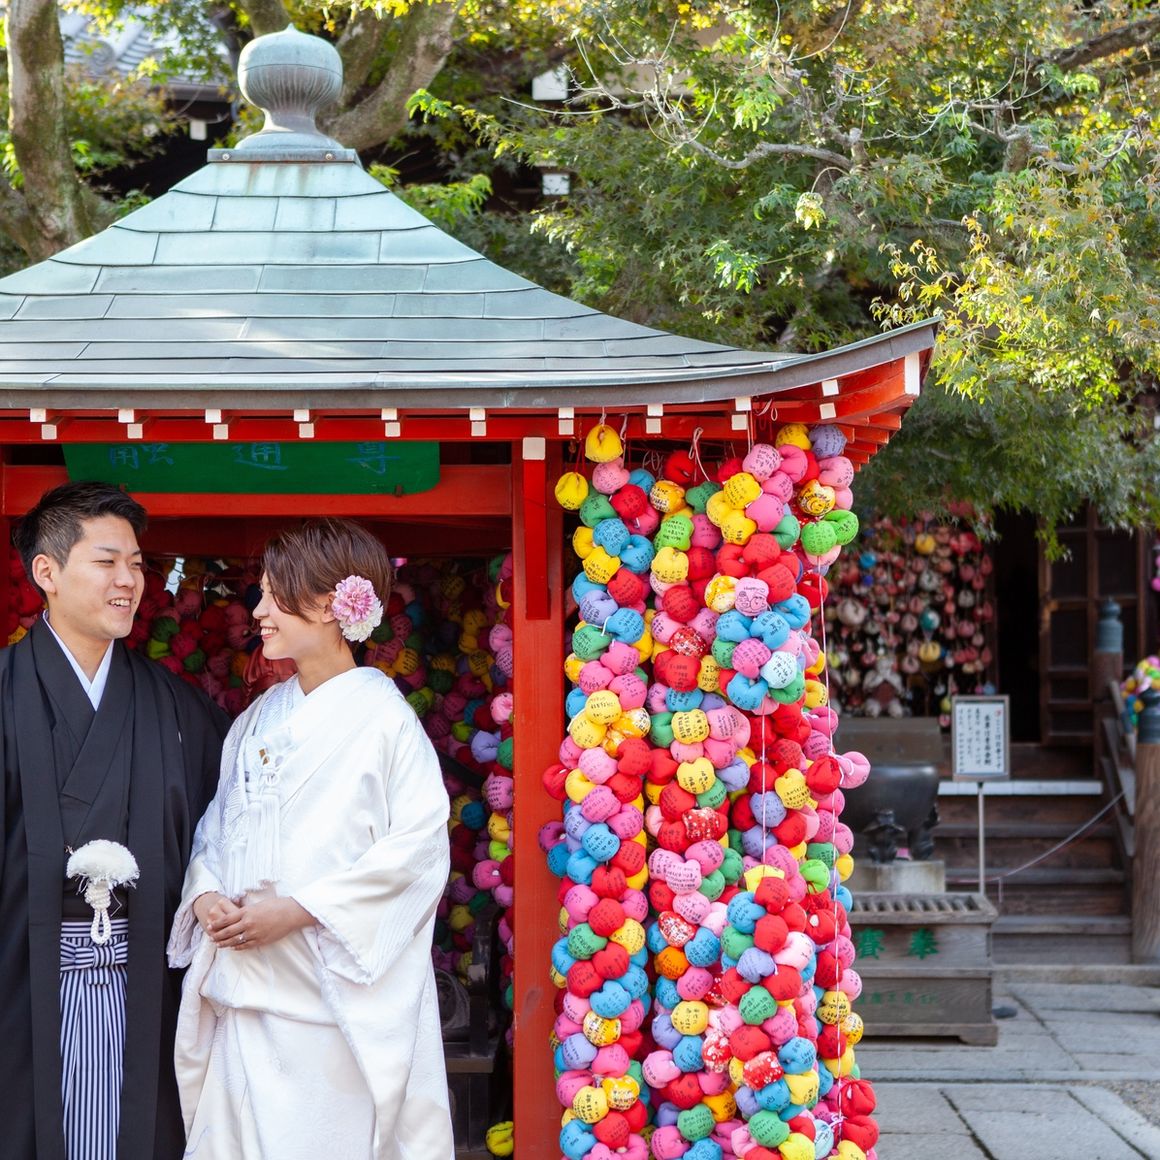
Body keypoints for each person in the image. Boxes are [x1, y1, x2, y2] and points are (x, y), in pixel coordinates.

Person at [169, 518, 454, 1160]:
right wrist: (207, 894)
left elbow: (417, 855)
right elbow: (219, 828)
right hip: (247, 995)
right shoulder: (257, 720)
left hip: (330, 1006)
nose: (259, 611)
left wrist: (299, 910)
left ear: (330, 605)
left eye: (275, 595)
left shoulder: (386, 722)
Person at [0, 481, 230, 1160]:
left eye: (136, 563)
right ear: (47, 572)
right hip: (19, 978)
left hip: (146, 980)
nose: (128, 580)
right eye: (106, 562)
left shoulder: (177, 709)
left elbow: (223, 837)